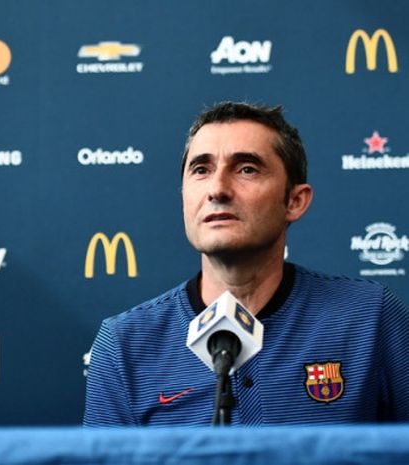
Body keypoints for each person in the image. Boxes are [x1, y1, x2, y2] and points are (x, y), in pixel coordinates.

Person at [83, 102, 409, 426]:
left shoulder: (369, 316)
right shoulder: (125, 344)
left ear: (295, 201)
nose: (218, 189)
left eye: (246, 169)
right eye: (201, 170)